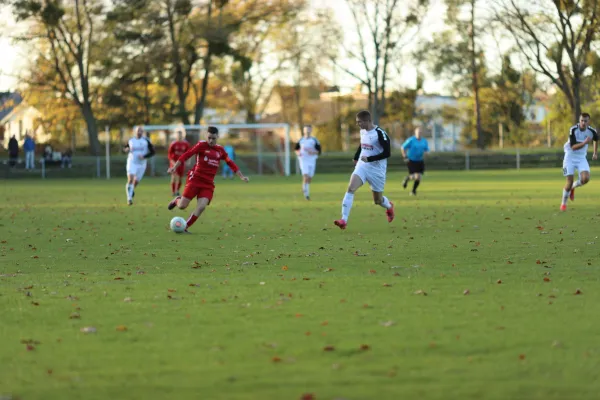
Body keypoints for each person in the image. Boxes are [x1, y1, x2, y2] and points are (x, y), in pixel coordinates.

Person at [167, 126, 249, 233]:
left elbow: (230, 162)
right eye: (209, 137)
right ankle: (177, 200)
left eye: (213, 138)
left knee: (201, 207)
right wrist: (174, 167)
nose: (211, 140)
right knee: (182, 206)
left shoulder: (220, 150)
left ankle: (185, 226)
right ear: (206, 136)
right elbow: (187, 155)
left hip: (208, 183)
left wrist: (241, 176)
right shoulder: (201, 145)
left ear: (217, 137)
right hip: (195, 179)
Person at [333, 110, 395, 230]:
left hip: (377, 170)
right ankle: (343, 220)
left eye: (359, 122)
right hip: (363, 166)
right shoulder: (363, 132)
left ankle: (389, 206)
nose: (357, 124)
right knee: (351, 188)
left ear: (367, 121)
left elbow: (387, 153)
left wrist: (370, 158)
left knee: (377, 200)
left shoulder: (380, 133)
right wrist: (356, 157)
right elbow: (362, 145)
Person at [560, 112, 598, 211]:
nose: (583, 123)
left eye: (585, 121)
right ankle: (564, 203)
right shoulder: (573, 130)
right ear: (579, 121)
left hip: (581, 158)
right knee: (569, 181)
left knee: (586, 178)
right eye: (581, 120)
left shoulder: (591, 131)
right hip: (570, 157)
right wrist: (585, 142)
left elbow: (596, 139)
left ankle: (573, 187)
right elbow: (573, 147)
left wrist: (595, 152)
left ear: (588, 122)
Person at [123, 126, 155, 206]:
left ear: (142, 132)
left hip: (142, 164)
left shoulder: (146, 141)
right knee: (130, 179)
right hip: (132, 162)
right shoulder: (131, 140)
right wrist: (126, 149)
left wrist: (144, 156)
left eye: (140, 131)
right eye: (138, 131)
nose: (139, 132)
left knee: (135, 182)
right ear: (135, 132)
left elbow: (153, 152)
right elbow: (126, 147)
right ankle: (129, 198)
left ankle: (131, 190)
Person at [294, 125, 321, 200]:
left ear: (311, 130)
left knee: (309, 177)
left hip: (312, 160)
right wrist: (298, 153)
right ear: (304, 131)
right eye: (306, 130)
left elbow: (319, 151)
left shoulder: (314, 140)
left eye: (309, 130)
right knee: (305, 175)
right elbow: (296, 149)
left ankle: (305, 187)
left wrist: (313, 152)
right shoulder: (301, 140)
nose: (307, 131)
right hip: (303, 160)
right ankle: (306, 194)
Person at [401, 127, 430, 196]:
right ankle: (412, 188)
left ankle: (412, 188)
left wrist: (427, 154)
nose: (419, 134)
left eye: (420, 132)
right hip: (411, 160)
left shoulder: (424, 141)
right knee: (417, 176)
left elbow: (426, 150)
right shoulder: (411, 140)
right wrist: (405, 156)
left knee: (418, 177)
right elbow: (403, 147)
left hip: (420, 160)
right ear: (415, 133)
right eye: (418, 132)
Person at [168, 130, 191, 196]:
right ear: (176, 136)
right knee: (175, 177)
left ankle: (177, 190)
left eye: (180, 135)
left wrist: (188, 161)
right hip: (174, 163)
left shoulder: (186, 144)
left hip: (182, 163)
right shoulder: (173, 143)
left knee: (180, 178)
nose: (179, 136)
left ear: (182, 135)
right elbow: (169, 155)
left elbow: (188, 153)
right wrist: (172, 162)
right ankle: (174, 191)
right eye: (178, 135)